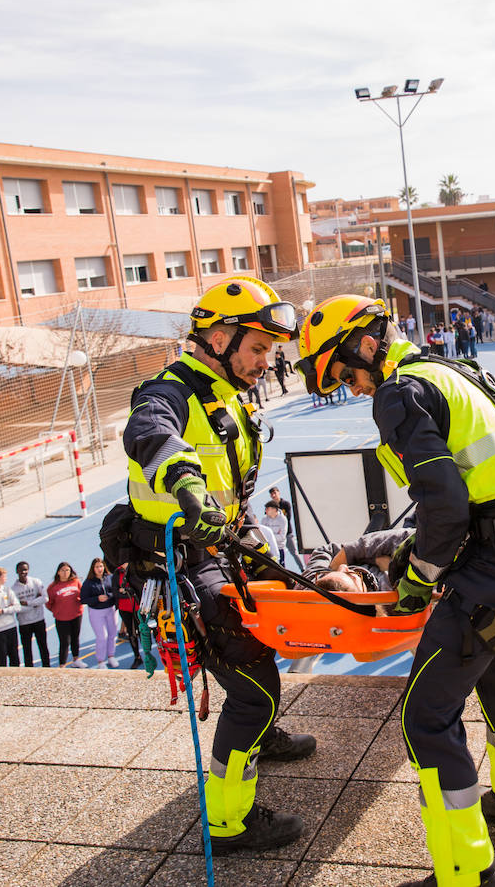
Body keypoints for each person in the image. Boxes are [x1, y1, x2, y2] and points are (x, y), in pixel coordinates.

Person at [297, 293, 495, 887]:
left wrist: (418, 580)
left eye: (346, 374)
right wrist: (418, 553)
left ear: (366, 345)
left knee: (426, 715)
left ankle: (464, 871)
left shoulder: (399, 393)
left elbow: (444, 505)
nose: (350, 388)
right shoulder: (448, 371)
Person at [123, 276, 314, 850]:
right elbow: (150, 431)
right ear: (219, 337)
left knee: (272, 634)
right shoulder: (169, 392)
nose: (265, 362)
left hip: (224, 544)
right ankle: (229, 822)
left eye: (269, 351)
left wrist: (247, 530)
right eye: (257, 349)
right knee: (254, 688)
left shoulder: (226, 393)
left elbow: (233, 479)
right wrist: (185, 482)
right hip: (183, 558)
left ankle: (260, 730)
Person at [11, 561, 50, 668]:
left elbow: (45, 598)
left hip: (39, 620)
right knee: (27, 649)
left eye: (25, 569)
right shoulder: (13, 590)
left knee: (43, 646)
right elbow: (17, 608)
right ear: (16, 571)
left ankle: (47, 667)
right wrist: (36, 602)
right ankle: (29, 671)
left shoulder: (36, 582)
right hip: (24, 623)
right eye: (21, 570)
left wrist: (28, 603)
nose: (24, 572)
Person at [81, 557, 119, 669]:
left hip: (110, 610)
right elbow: (83, 599)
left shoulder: (110, 578)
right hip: (96, 612)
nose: (99, 569)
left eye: (101, 566)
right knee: (102, 636)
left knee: (112, 634)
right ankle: (100, 660)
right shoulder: (88, 583)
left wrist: (109, 597)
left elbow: (115, 592)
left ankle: (111, 656)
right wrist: (97, 599)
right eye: (97, 567)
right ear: (93, 569)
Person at [46, 562, 83, 668]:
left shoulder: (76, 582)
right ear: (58, 572)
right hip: (62, 619)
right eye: (62, 570)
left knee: (75, 638)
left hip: (76, 615)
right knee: (65, 642)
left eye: (67, 570)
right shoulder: (53, 587)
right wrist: (57, 611)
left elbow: (82, 595)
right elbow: (49, 603)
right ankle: (62, 665)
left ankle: (76, 659)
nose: (65, 573)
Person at [267, 486, 303, 567]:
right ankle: (281, 569)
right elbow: (268, 518)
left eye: (274, 493)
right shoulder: (270, 506)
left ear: (278, 493)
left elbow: (288, 518)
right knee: (277, 553)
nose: (273, 495)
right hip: (277, 534)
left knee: (294, 552)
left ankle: (303, 568)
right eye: (271, 494)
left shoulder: (285, 504)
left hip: (287, 533)